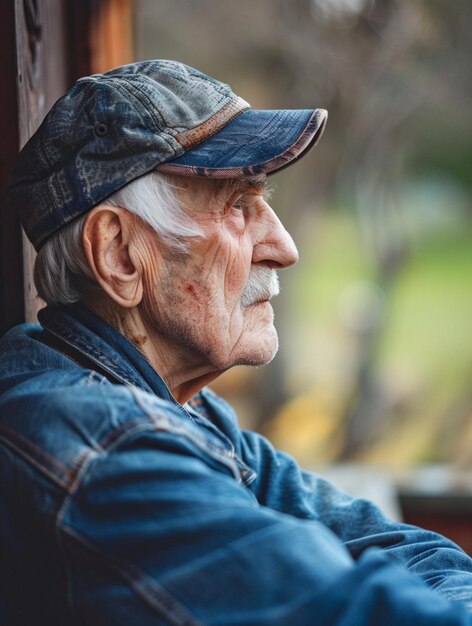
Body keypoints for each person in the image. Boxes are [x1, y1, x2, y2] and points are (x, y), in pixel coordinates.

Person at [0, 59, 471, 626]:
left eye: (263, 200)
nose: (284, 246)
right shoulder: (102, 448)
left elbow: (409, 551)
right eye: (238, 207)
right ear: (120, 256)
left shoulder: (181, 409)